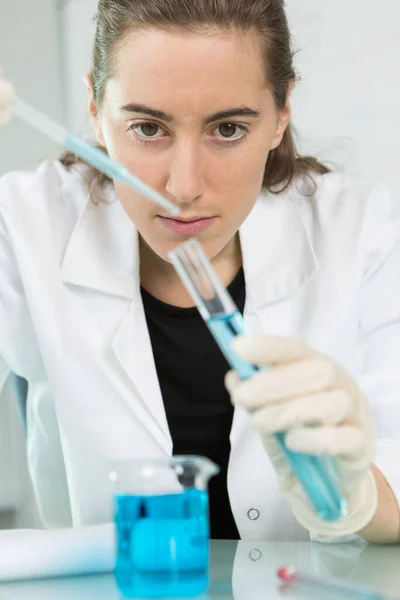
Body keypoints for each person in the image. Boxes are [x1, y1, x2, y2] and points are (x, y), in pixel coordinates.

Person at [0, 0, 399, 544]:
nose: (184, 186)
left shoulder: (364, 232)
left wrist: (358, 498)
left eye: (228, 129)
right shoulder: (25, 225)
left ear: (282, 113)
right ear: (95, 108)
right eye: (147, 128)